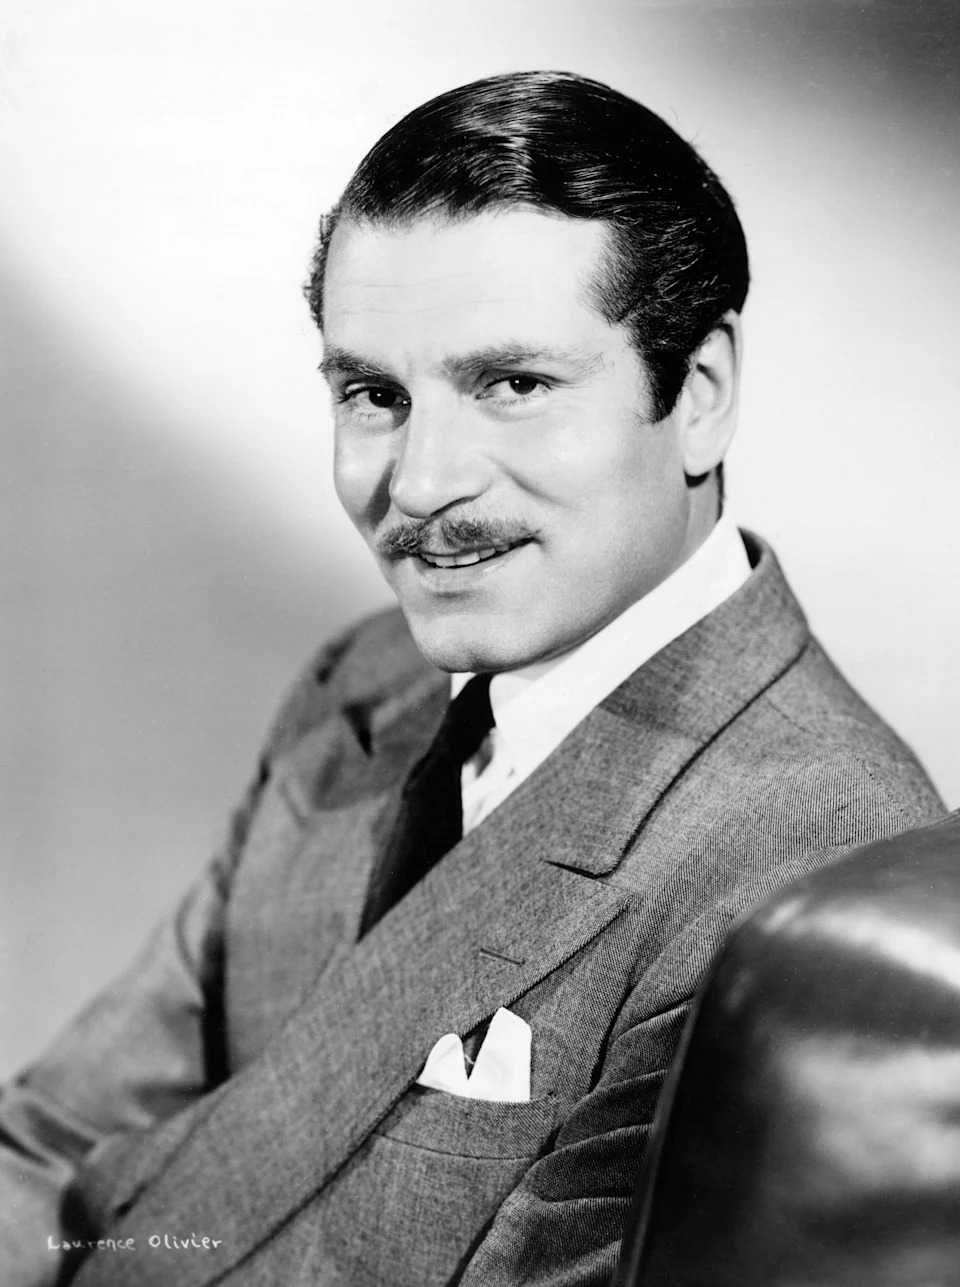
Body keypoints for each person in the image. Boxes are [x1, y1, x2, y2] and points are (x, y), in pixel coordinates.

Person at [0, 70, 945, 1287]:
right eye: (374, 396)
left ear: (699, 396)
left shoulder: (805, 882)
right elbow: (52, 1147)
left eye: (515, 386)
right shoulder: (368, 689)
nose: (424, 480)